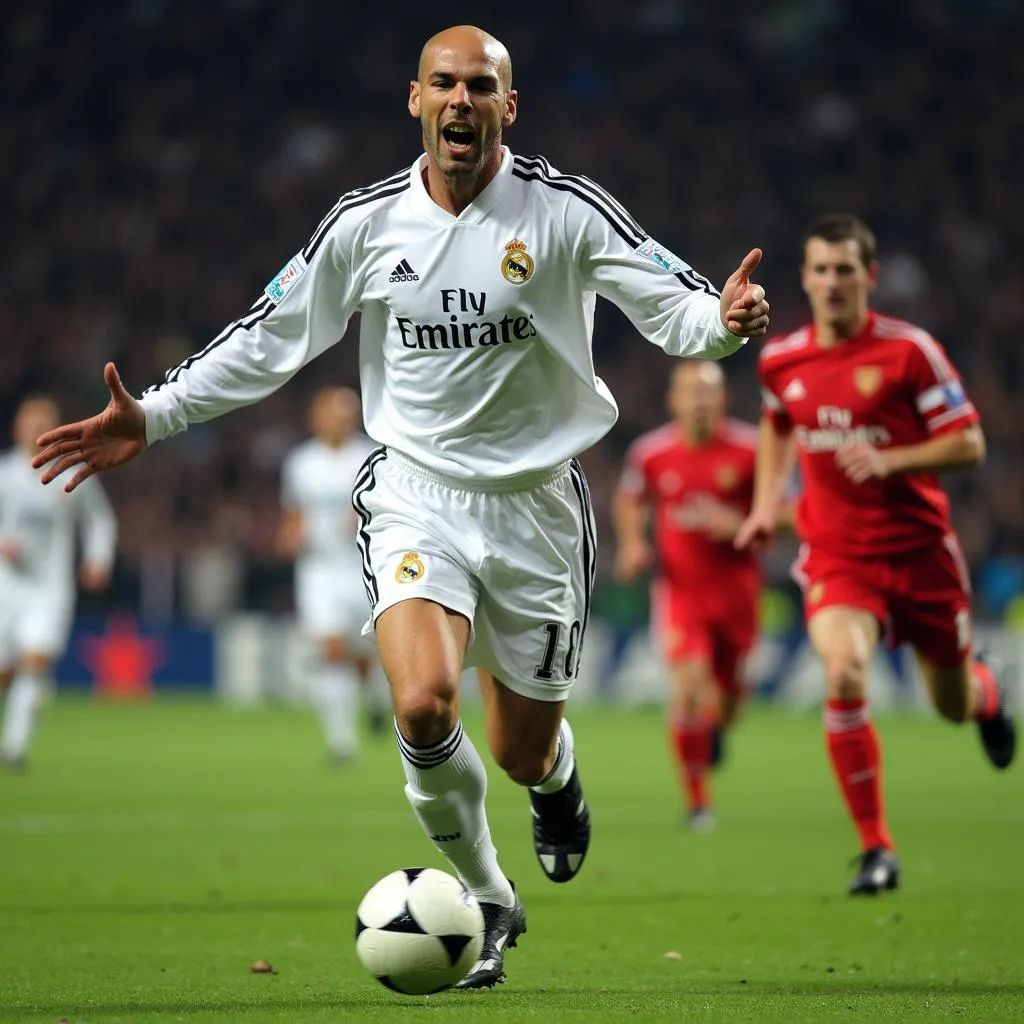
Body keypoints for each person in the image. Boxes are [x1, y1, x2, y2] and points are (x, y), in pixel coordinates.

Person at [33, 25, 769, 987]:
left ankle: (554, 778)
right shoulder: (364, 224)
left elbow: (677, 308)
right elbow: (271, 338)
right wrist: (158, 416)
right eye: (443, 85)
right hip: (416, 492)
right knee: (423, 705)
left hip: (539, 508)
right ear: (414, 101)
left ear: (511, 107)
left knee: (519, 747)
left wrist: (723, 321)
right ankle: (490, 898)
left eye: (480, 87)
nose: (460, 101)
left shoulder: (565, 212)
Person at [736, 213, 1015, 896]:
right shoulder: (781, 358)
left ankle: (986, 696)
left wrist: (892, 458)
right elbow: (777, 424)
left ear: (870, 277)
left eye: (844, 270)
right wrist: (766, 503)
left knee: (948, 703)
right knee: (845, 671)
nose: (832, 282)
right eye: (821, 269)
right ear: (804, 277)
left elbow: (969, 443)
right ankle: (876, 849)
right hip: (837, 555)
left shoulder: (909, 351)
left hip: (921, 554)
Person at [614, 361, 760, 833]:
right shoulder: (652, 454)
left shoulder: (751, 451)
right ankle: (699, 803)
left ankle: (717, 723)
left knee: (731, 702)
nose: (698, 402)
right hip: (682, 593)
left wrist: (740, 525)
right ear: (672, 401)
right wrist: (634, 544)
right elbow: (629, 500)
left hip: (737, 593)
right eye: (689, 393)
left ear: (723, 400)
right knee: (690, 688)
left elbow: (785, 509)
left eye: (707, 393)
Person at [0, 395, 116, 768]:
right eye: (31, 420)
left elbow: (100, 519)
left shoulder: (71, 471)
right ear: (17, 427)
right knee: (5, 671)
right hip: (6, 585)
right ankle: (28, 709)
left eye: (44, 421)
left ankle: (14, 749)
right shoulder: (4, 474)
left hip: (50, 587)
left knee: (34, 660)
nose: (36, 427)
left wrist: (97, 559)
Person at [276, 386, 388, 760]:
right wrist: (290, 535)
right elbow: (293, 515)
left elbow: (390, 508)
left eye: (345, 413)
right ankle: (342, 742)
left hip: (363, 566)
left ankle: (374, 699)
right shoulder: (300, 463)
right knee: (331, 647)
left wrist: (365, 515)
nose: (338, 420)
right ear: (316, 417)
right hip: (318, 570)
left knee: (362, 653)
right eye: (330, 413)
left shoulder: (371, 456)